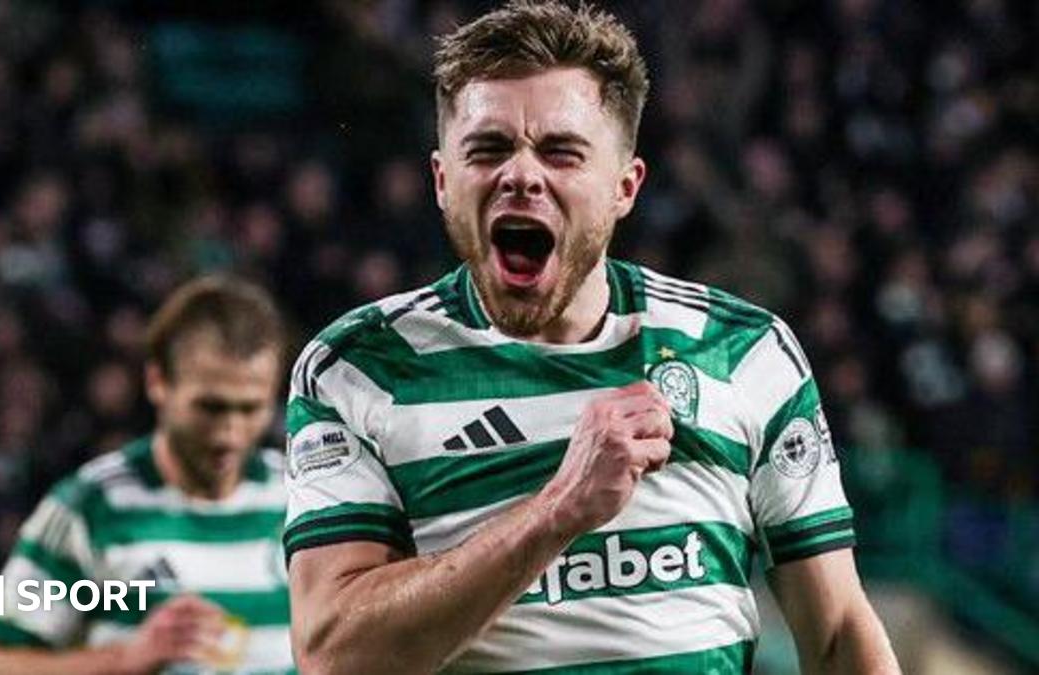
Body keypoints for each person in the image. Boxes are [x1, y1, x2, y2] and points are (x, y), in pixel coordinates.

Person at [283, 2, 901, 673]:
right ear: (441, 181)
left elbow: (838, 633)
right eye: (488, 149)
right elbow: (334, 655)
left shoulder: (742, 352)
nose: (521, 175)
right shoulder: (360, 369)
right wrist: (561, 508)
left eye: (561, 152)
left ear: (623, 187)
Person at [0, 276, 295, 674]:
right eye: (210, 407)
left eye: (250, 408)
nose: (230, 432)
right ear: (158, 382)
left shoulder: (301, 497)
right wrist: (125, 658)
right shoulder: (91, 507)